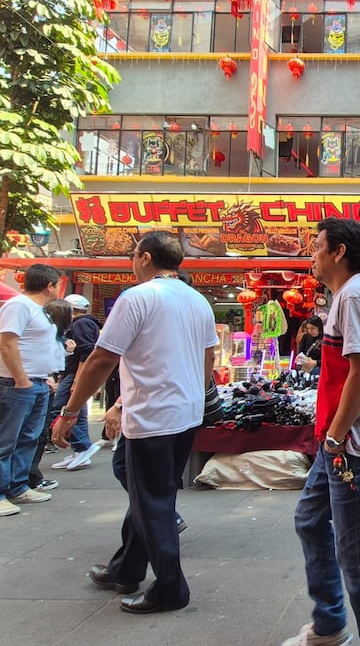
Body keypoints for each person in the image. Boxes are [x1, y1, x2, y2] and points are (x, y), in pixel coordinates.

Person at [51, 231, 217, 614]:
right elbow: (207, 358)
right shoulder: (197, 300)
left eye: (133, 255)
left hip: (153, 414)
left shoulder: (137, 297)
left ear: (144, 258)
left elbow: (101, 359)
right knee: (152, 495)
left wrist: (71, 411)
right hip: (185, 413)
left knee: (153, 501)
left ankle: (171, 587)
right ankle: (126, 569)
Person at [286, 218, 360, 646]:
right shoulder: (346, 297)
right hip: (336, 444)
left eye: (317, 246)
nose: (311, 255)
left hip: (352, 448)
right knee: (310, 519)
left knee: (357, 557)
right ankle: (329, 622)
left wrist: (336, 436)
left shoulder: (354, 295)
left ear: (338, 252)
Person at [0, 264, 61, 517]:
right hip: (16, 384)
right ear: (50, 286)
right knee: (6, 440)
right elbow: (7, 343)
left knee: (29, 438)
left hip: (37, 382)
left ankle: (18, 486)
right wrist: (21, 378)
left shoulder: (38, 310)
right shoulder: (19, 305)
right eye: (57, 284)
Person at [48, 293, 102, 471]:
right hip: (71, 374)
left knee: (58, 409)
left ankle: (82, 446)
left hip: (74, 374)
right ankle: (81, 451)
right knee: (77, 412)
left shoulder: (81, 324)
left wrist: (78, 379)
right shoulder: (85, 323)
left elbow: (86, 353)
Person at [28, 298, 74, 492]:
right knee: (30, 435)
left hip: (42, 383)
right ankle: (28, 479)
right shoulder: (48, 334)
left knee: (31, 435)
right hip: (37, 383)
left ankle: (26, 479)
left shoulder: (54, 335)